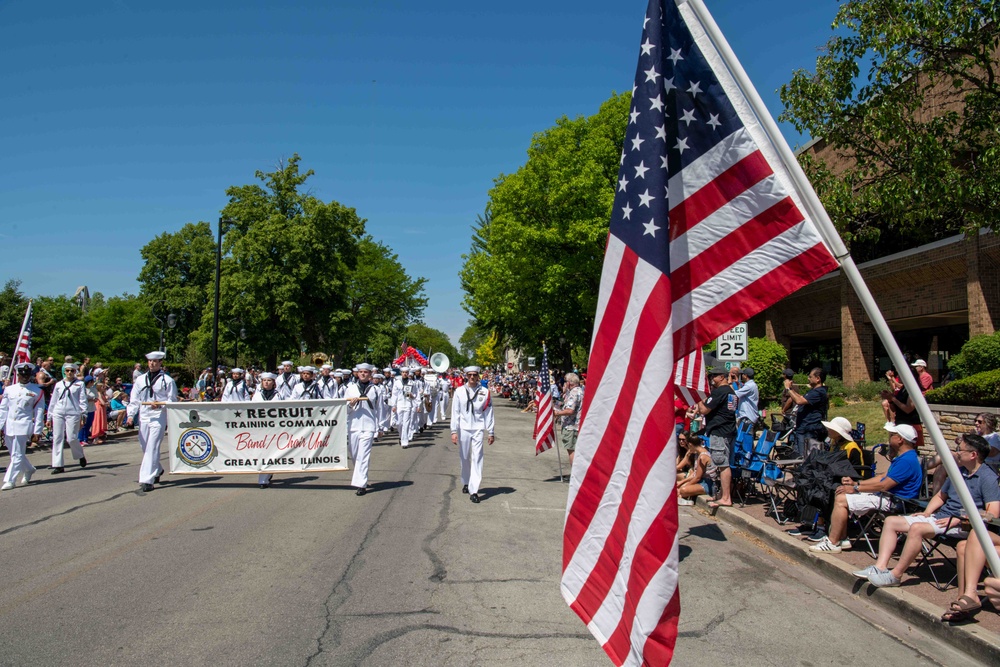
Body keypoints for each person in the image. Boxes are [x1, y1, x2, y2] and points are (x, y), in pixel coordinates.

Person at [865, 432, 1000, 587]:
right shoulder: (959, 472)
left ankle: (896, 575)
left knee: (916, 528)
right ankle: (880, 567)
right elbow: (941, 496)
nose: (956, 453)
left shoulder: (988, 478)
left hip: (963, 526)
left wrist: (960, 519)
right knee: (891, 521)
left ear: (973, 455)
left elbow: (992, 513)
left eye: (960, 450)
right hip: (942, 518)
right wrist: (928, 512)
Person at [809, 423, 923, 555]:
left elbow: (884, 485)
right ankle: (842, 538)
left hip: (897, 502)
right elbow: (882, 477)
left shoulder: (906, 461)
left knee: (841, 499)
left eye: (891, 435)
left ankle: (833, 542)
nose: (888, 438)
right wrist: (856, 483)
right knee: (841, 493)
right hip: (890, 497)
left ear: (900, 439)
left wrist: (856, 488)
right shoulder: (904, 458)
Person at [125, 351, 178, 492]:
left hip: (158, 416)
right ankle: (157, 468)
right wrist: (130, 415)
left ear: (160, 363)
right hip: (144, 415)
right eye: (150, 361)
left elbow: (172, 400)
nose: (152, 364)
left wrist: (160, 404)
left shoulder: (167, 381)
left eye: (155, 361)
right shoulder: (140, 380)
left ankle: (147, 479)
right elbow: (134, 399)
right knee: (144, 446)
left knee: (152, 446)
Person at [690, 361, 737, 510]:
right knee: (723, 463)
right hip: (728, 431)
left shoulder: (720, 391)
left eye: (714, 376)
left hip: (719, 431)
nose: (712, 378)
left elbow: (704, 410)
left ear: (722, 377)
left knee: (722, 464)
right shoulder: (731, 391)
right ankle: (723, 494)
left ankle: (726, 497)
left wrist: (698, 398)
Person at [450, 366, 495, 503]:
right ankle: (466, 481)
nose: (472, 377)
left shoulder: (485, 392)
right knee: (464, 457)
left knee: (477, 457)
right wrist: (453, 431)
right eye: (469, 375)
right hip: (463, 428)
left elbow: (488, 413)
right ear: (466, 376)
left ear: (478, 376)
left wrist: (491, 431)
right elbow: (455, 412)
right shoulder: (459, 391)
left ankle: (474, 490)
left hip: (478, 428)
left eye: (474, 375)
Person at [0, 363, 46, 490]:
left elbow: (39, 413)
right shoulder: (9, 389)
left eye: (27, 374)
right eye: (22, 375)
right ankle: (29, 469)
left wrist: (37, 431)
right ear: (17, 375)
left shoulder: (37, 391)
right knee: (14, 453)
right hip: (9, 425)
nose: (24, 377)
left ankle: (10, 480)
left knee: (17, 455)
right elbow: (3, 409)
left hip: (24, 425)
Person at [47, 363, 88, 474]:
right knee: (57, 437)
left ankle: (80, 455)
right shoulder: (59, 384)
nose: (69, 373)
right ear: (64, 372)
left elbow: (82, 400)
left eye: (72, 371)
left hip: (73, 412)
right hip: (58, 411)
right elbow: (53, 401)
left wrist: (84, 414)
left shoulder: (79, 384)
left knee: (71, 438)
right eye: (67, 370)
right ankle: (58, 465)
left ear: (75, 372)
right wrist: (49, 417)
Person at [345, 364, 378, 496]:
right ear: (357, 374)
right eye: (361, 372)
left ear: (370, 374)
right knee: (355, 455)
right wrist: (351, 404)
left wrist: (379, 427)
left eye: (366, 372)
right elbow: (345, 409)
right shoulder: (351, 388)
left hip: (369, 427)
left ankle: (361, 484)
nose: (363, 374)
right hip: (353, 425)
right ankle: (361, 476)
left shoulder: (376, 389)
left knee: (363, 456)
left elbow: (379, 409)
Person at [784, 368, 829, 456]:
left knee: (807, 455)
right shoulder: (814, 391)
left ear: (818, 379)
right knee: (801, 454)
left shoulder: (819, 392)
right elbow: (801, 398)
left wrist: (788, 389)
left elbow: (799, 401)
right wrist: (792, 389)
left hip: (810, 429)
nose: (808, 378)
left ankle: (807, 469)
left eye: (810, 376)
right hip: (803, 428)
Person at [251, 372, 282, 488]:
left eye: (269, 381)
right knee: (261, 452)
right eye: (264, 380)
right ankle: (264, 476)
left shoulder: (278, 395)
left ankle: (264, 477)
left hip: (273, 428)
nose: (266, 383)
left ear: (273, 383)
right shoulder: (257, 395)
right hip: (260, 427)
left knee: (269, 452)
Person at [553, 372, 584, 468]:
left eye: (565, 381)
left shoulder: (574, 393)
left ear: (569, 383)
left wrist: (557, 413)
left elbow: (570, 410)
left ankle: (575, 475)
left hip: (571, 426)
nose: (564, 383)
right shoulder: (580, 391)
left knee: (571, 450)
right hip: (576, 425)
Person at [676, 436, 717, 505]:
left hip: (707, 483)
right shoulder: (697, 454)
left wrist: (684, 486)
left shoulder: (702, 456)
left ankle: (683, 497)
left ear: (690, 445)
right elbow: (695, 473)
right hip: (701, 480)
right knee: (679, 486)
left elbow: (697, 477)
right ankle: (681, 498)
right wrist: (682, 482)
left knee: (683, 490)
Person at [392, 367, 418, 448]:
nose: (405, 374)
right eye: (403, 372)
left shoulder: (412, 383)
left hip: (408, 404)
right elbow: (394, 395)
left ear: (408, 373)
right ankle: (401, 436)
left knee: (406, 423)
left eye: (406, 372)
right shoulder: (397, 383)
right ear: (401, 373)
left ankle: (405, 441)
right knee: (399, 423)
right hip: (399, 404)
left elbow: (415, 395)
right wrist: (394, 405)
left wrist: (412, 397)